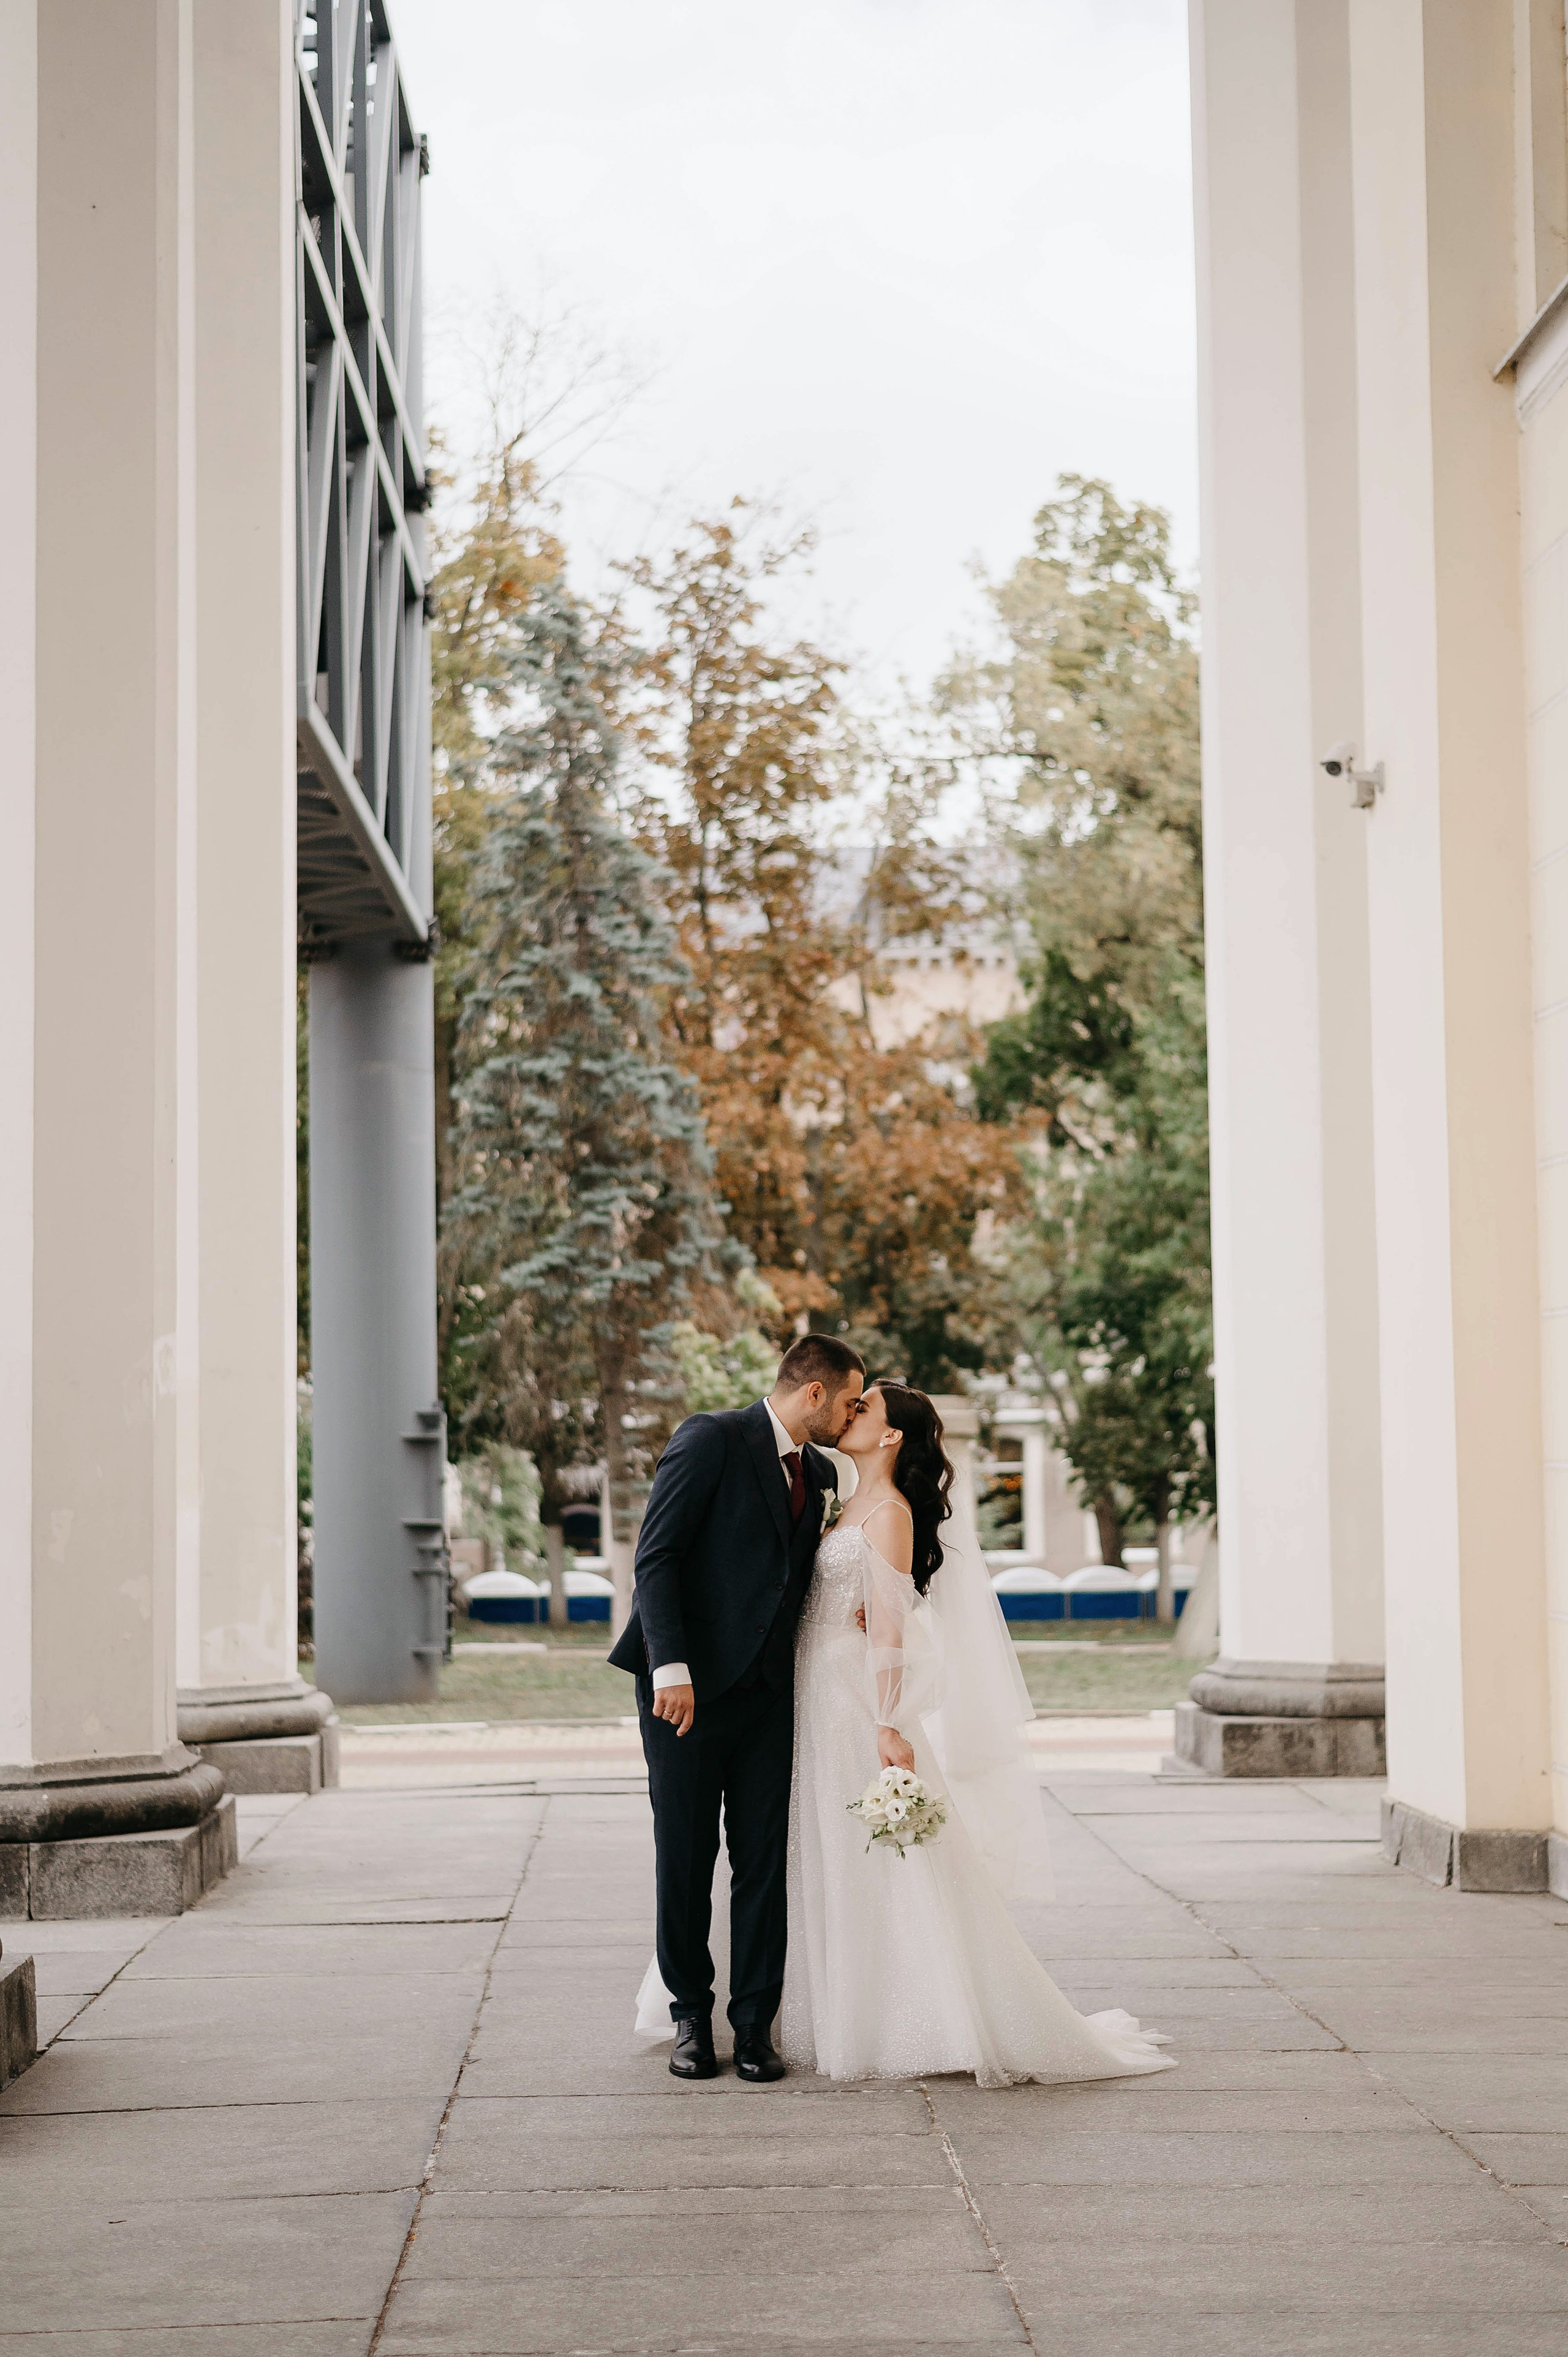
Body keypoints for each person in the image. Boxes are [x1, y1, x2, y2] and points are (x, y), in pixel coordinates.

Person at [779, 1379, 1174, 2086]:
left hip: (848, 1700)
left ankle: (913, 2016)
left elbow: (890, 1633)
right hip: (814, 1686)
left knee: (873, 1855)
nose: (849, 1412)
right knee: (827, 1847)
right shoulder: (849, 1502)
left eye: (864, 1406)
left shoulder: (891, 1513)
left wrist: (887, 1723)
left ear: (891, 1435)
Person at [609, 1333, 865, 2083]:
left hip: (771, 1695)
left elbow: (792, 1575)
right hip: (684, 1693)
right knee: (685, 1857)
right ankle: (691, 2016)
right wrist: (671, 1666)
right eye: (849, 1400)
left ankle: (754, 2023)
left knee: (763, 1862)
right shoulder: (710, 1438)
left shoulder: (821, 1471)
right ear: (814, 1392)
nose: (852, 1415)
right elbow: (657, 1556)